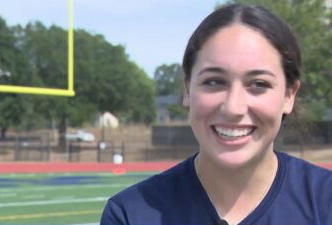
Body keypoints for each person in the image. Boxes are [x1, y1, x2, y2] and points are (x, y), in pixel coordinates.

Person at [100, 3, 332, 225]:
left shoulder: (325, 203)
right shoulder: (130, 214)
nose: (233, 107)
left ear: (289, 95)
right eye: (213, 82)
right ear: (187, 89)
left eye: (259, 84)